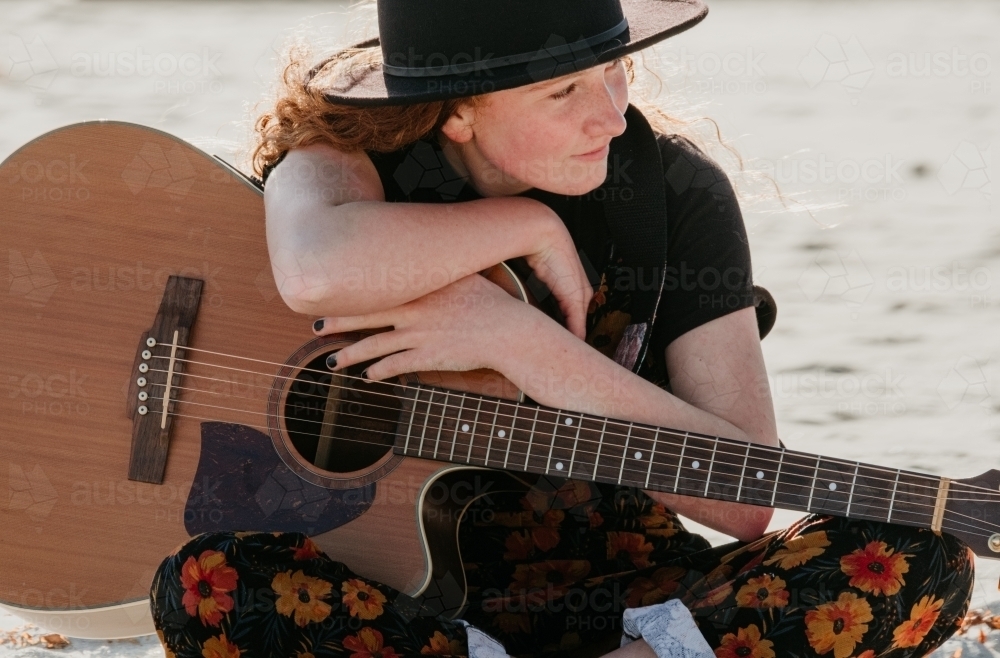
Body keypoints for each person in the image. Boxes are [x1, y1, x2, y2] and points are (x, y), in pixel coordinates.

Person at [149, 1, 974, 656]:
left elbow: (747, 505)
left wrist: (522, 343)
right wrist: (529, 225)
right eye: (562, 92)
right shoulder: (346, 161)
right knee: (206, 584)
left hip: (638, 599)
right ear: (459, 112)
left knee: (919, 551)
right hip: (397, 612)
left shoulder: (676, 196)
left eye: (615, 71)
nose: (612, 117)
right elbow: (313, 268)